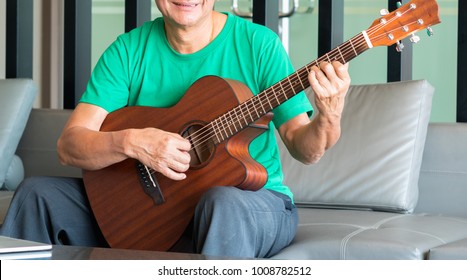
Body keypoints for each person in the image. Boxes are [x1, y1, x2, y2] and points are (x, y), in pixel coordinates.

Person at [0, 0, 350, 258]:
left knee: (222, 202)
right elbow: (70, 145)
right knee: (37, 194)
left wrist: (329, 115)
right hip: (158, 207)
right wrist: (132, 142)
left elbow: (305, 148)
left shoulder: (259, 45)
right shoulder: (128, 50)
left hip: (252, 205)